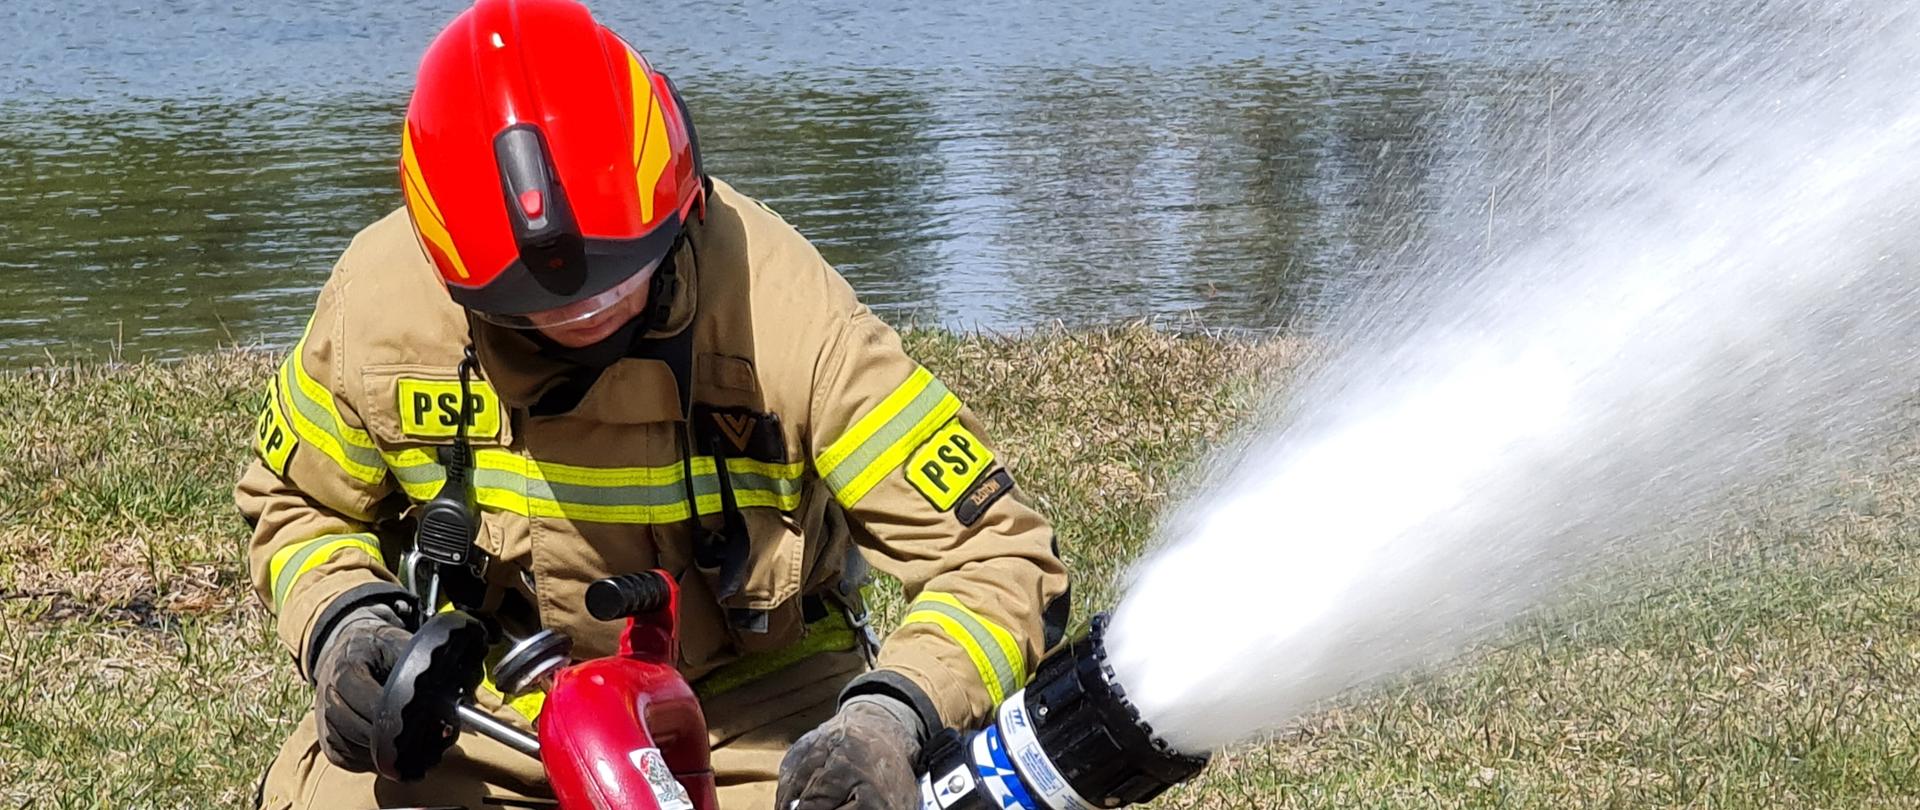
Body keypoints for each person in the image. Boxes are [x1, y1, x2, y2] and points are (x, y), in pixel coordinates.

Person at [237, 0, 1070, 807]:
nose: (586, 313)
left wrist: (889, 719)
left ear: (682, 197)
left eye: (620, 275)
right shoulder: (379, 307)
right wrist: (346, 624)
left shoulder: (789, 318)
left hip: (748, 720)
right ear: (447, 266)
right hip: (485, 716)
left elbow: (999, 559)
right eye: (532, 307)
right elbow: (296, 504)